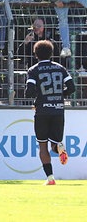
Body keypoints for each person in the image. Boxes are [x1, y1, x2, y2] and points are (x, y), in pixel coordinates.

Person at [25, 40, 75, 185]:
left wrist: (40, 97)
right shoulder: (60, 68)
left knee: (42, 145)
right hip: (58, 109)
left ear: (35, 55)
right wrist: (59, 95)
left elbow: (29, 92)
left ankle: (50, 178)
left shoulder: (33, 70)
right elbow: (72, 88)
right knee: (55, 142)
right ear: (52, 54)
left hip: (42, 111)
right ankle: (59, 146)